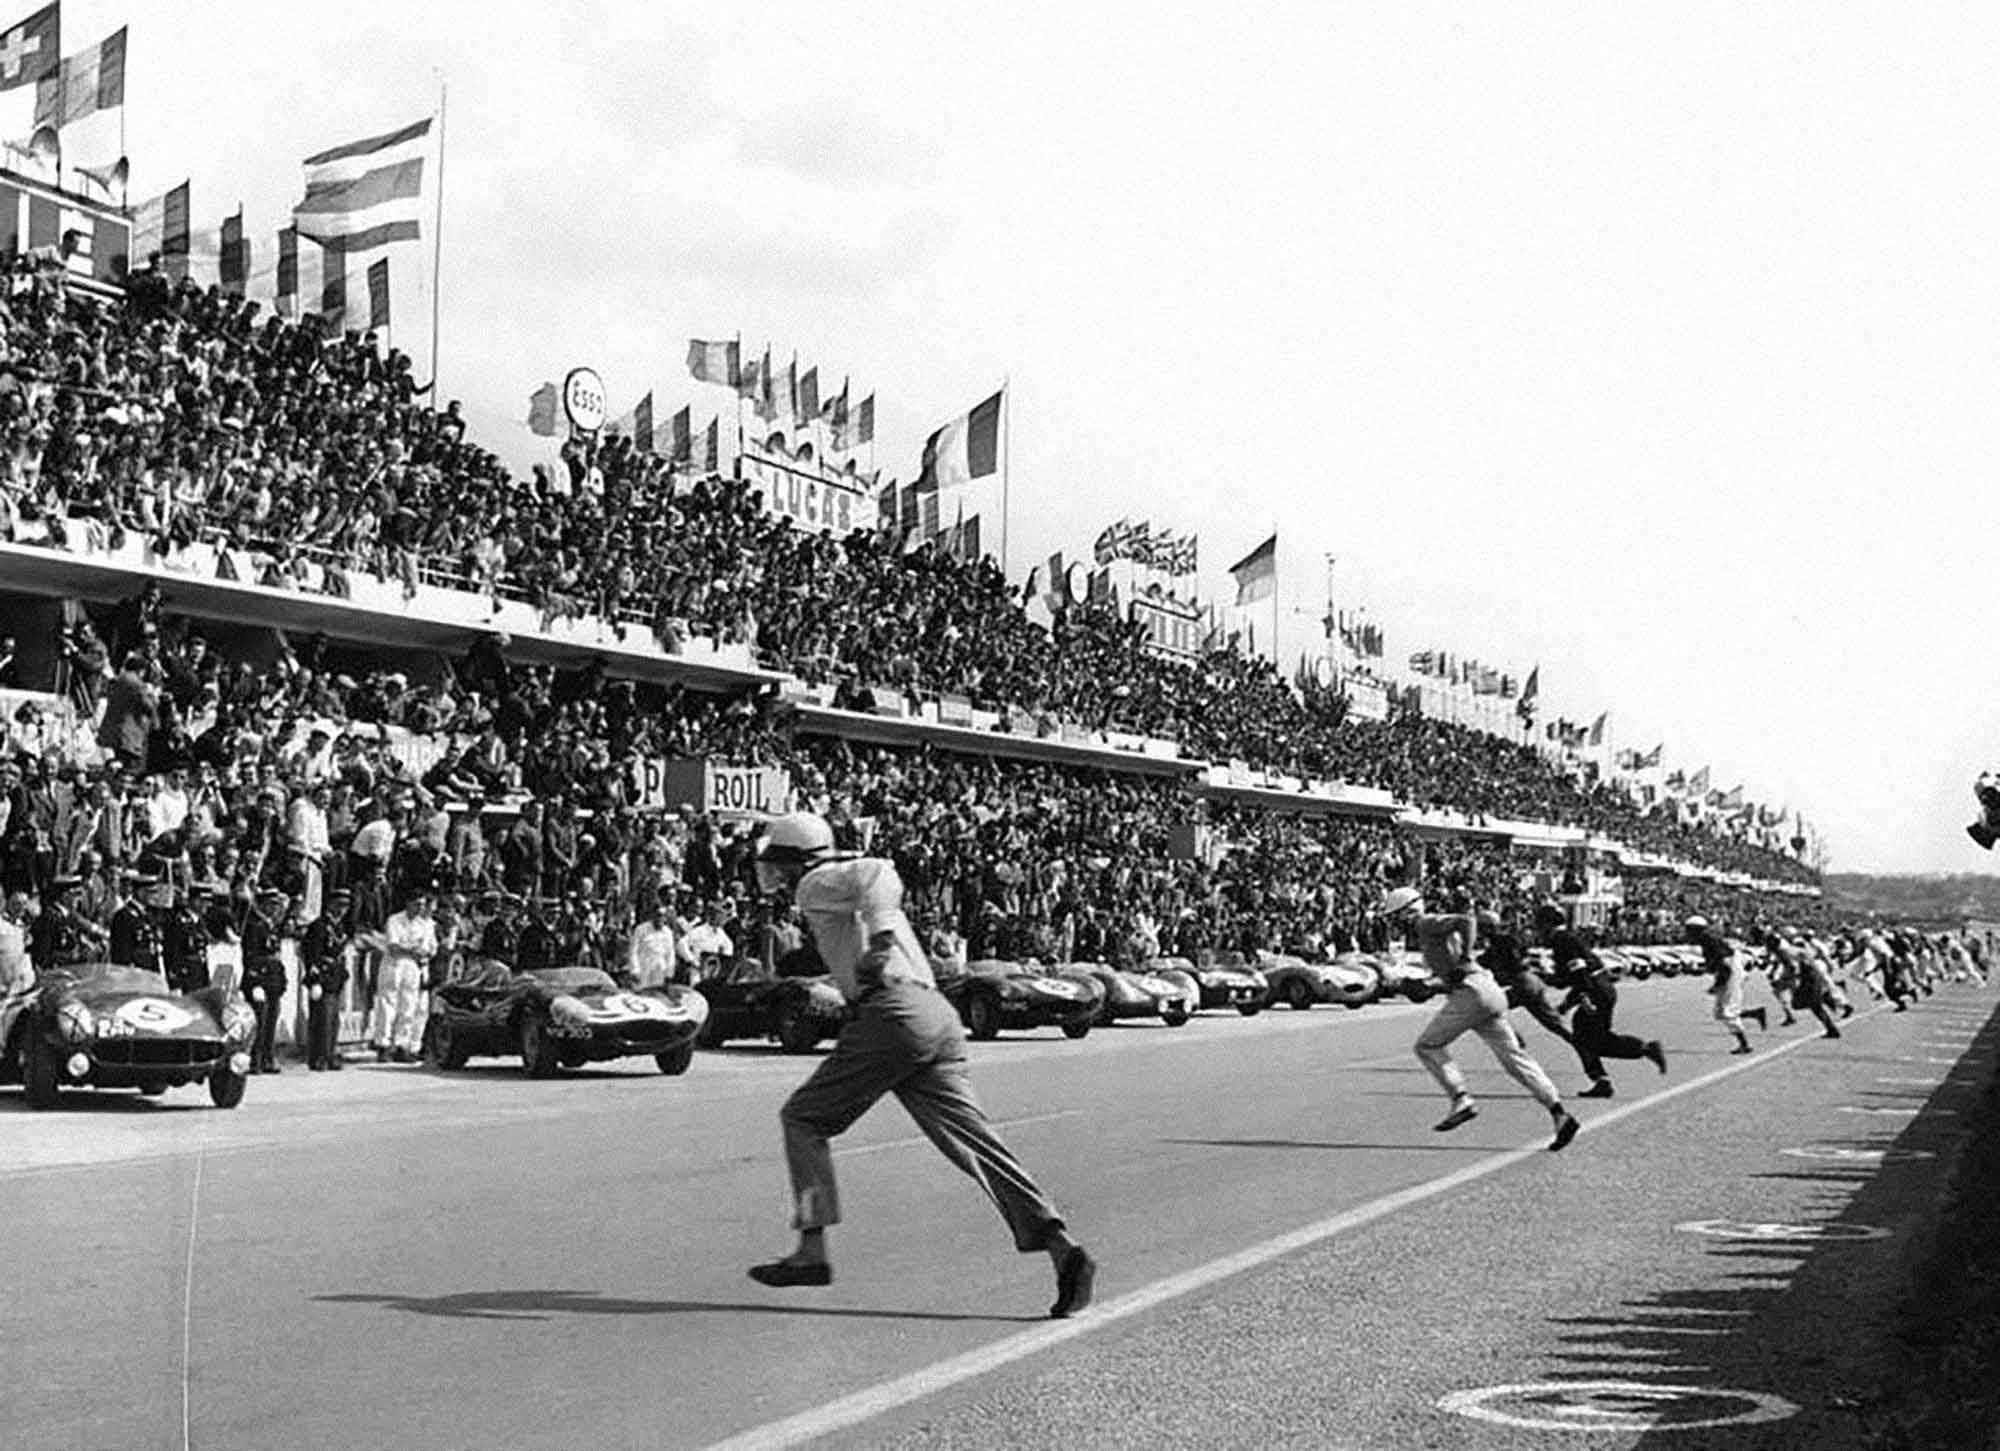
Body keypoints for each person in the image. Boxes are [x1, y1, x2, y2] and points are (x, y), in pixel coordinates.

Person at [745, 811, 1097, 1319]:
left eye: (778, 864)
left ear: (795, 861)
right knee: (976, 1143)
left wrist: (882, 936)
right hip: (934, 1014)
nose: (774, 876)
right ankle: (1063, 1249)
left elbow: (879, 871)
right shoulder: (832, 893)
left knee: (803, 1119)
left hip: (892, 1014)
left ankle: (811, 1249)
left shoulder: (817, 882)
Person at [1384, 884, 1580, 1150]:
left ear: (1407, 912)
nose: (1396, 924)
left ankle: (1460, 1097)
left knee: (1427, 1046)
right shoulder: (1430, 933)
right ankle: (1559, 1113)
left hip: (1472, 992)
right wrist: (1431, 986)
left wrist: (1464, 957)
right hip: (1486, 990)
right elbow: (1451, 971)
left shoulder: (1425, 923)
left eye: (1396, 917)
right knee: (1515, 1059)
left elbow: (1467, 921)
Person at [1535, 905, 1666, 1098]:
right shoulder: (1566, 939)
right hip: (1601, 988)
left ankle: (1614, 1071)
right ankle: (1634, 1056)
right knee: (1597, 1039)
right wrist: (1559, 992)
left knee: (1583, 1038)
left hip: (1594, 990)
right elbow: (1568, 977)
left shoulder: (1562, 941)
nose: (1537, 930)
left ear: (1546, 924)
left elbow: (1578, 973)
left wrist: (1581, 999)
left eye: (1538, 924)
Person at [371, 885, 437, 1063]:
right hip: (394, 964)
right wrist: (413, 951)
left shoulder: (424, 925)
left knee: (409, 1006)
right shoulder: (394, 920)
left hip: (414, 966)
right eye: (417, 904)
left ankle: (402, 1045)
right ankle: (383, 1045)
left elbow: (431, 948)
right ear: (408, 903)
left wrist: (420, 953)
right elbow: (393, 947)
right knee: (387, 1004)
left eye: (422, 905)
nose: (420, 908)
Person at [1689, 914, 1762, 1053]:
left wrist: (1718, 984)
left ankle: (1744, 1044)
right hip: (1729, 971)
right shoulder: (1707, 939)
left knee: (1727, 1012)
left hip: (1730, 973)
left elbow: (1724, 966)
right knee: (1719, 1013)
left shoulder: (1708, 941)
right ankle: (1755, 1014)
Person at [300, 886, 352, 1071]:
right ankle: (318, 1057)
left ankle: (329, 1054)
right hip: (322, 975)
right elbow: (310, 952)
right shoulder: (319, 925)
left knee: (332, 1019)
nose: (342, 909)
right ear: (330, 904)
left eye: (345, 906)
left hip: (335, 975)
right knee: (321, 1018)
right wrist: (314, 977)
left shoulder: (340, 926)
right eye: (339, 905)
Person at [241, 886, 290, 1074]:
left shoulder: (271, 926)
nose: (274, 908)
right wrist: (255, 982)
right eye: (270, 904)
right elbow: (250, 955)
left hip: (273, 979)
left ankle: (268, 1058)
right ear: (262, 905)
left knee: (270, 1021)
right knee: (259, 1022)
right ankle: (255, 1059)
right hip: (260, 979)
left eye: (276, 905)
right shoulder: (254, 926)